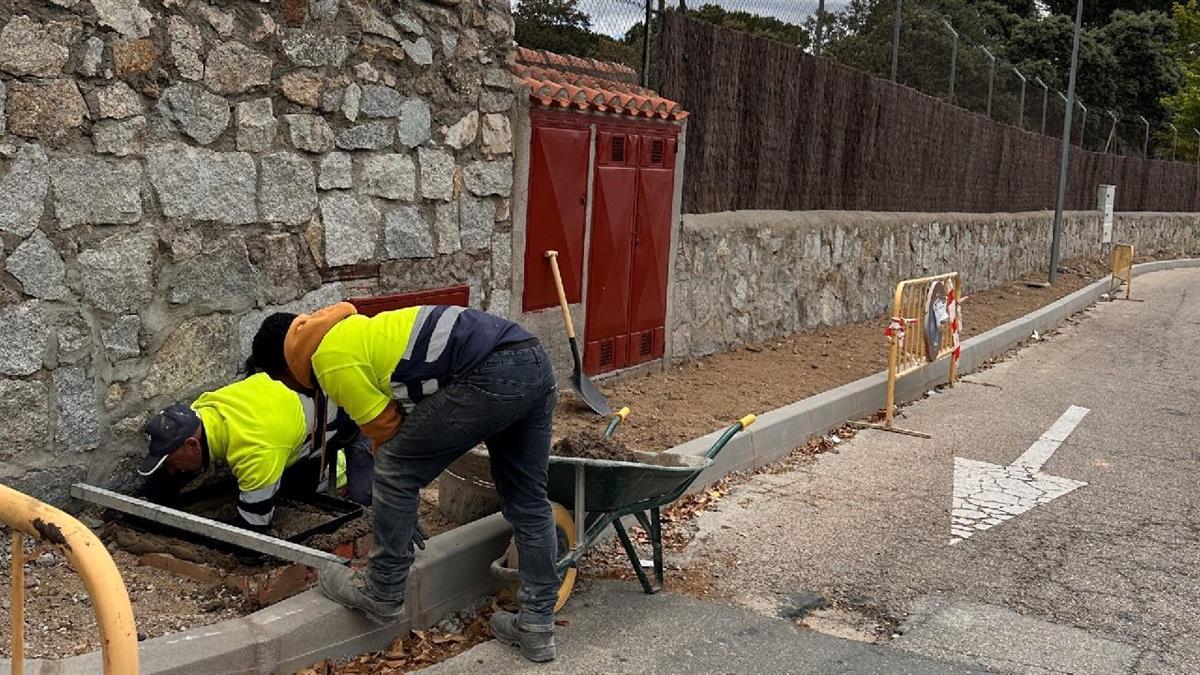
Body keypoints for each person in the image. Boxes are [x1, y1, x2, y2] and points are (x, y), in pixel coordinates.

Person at [247, 302, 560, 663]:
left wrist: (398, 494)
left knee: (395, 470)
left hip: (490, 370)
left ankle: (382, 590)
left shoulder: (328, 358)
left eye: (280, 381)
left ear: (285, 369)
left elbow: (385, 431)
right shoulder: (353, 333)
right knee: (528, 502)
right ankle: (537, 626)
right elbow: (400, 423)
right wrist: (399, 502)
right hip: (531, 359)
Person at [136, 372, 375, 531]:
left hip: (355, 416)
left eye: (170, 462)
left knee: (365, 500)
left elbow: (254, 527)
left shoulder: (255, 450)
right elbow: (187, 463)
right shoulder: (204, 408)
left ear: (192, 445)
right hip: (292, 416)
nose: (172, 469)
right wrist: (145, 500)